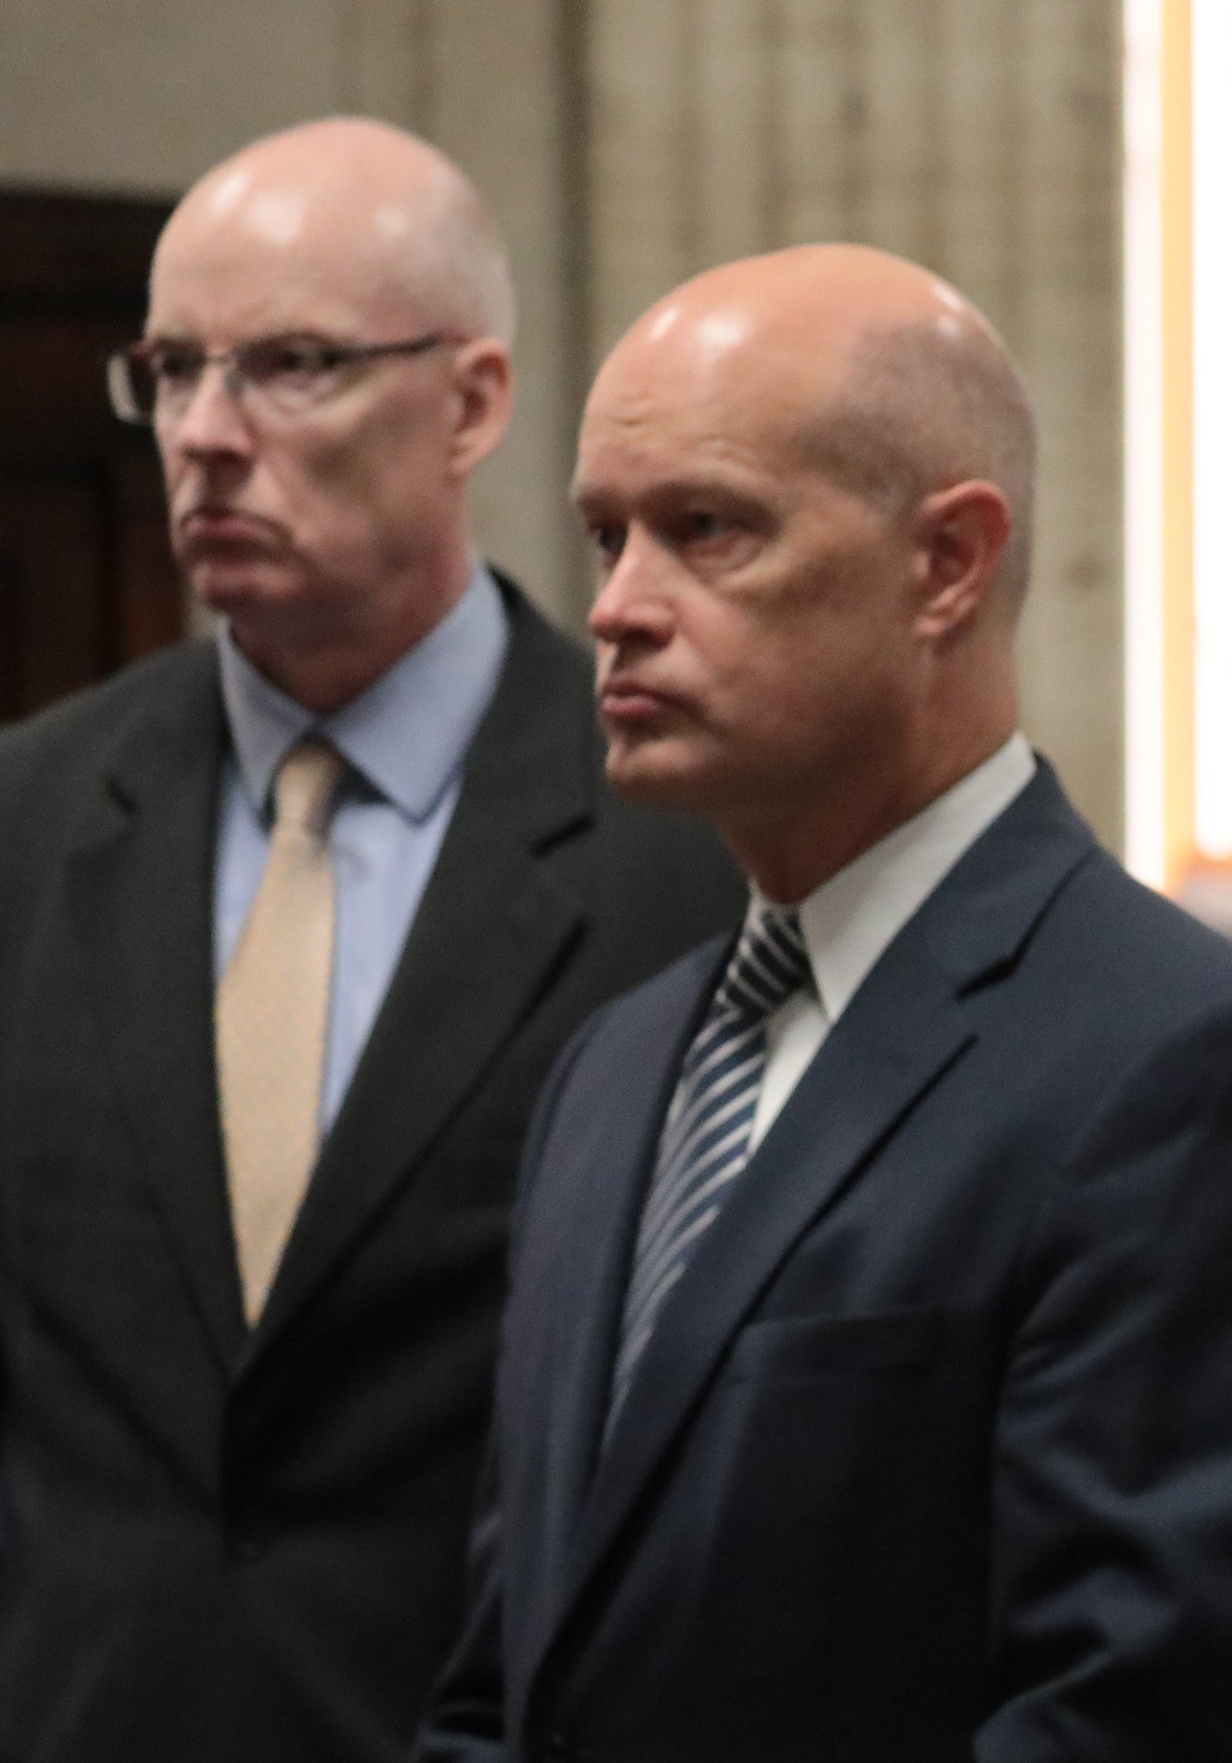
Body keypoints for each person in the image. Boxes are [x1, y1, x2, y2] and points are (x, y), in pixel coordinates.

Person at [416, 245, 1232, 1760]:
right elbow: (510, 1674)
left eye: (706, 531)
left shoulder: (1196, 1066)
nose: (617, 606)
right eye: (607, 536)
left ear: (946, 563)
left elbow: (1156, 1717)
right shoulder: (614, 1069)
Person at [0, 119, 738, 1760]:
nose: (203, 434)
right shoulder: (32, 822)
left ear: (472, 401)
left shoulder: (686, 851)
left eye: (290, 366)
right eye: (170, 371)